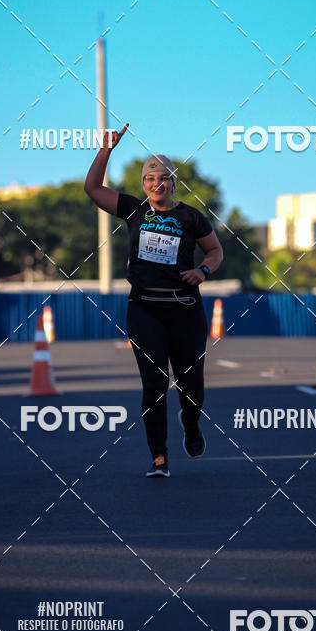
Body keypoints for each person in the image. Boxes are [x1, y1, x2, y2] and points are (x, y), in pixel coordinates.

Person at [84, 124, 224, 478]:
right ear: (143, 184)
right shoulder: (133, 210)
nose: (156, 184)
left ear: (173, 182)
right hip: (144, 307)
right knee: (155, 384)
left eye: (163, 178)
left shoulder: (190, 216)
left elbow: (215, 250)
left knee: (193, 388)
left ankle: (191, 425)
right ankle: (158, 455)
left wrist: (203, 272)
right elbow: (92, 188)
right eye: (150, 179)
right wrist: (107, 150)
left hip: (185, 309)